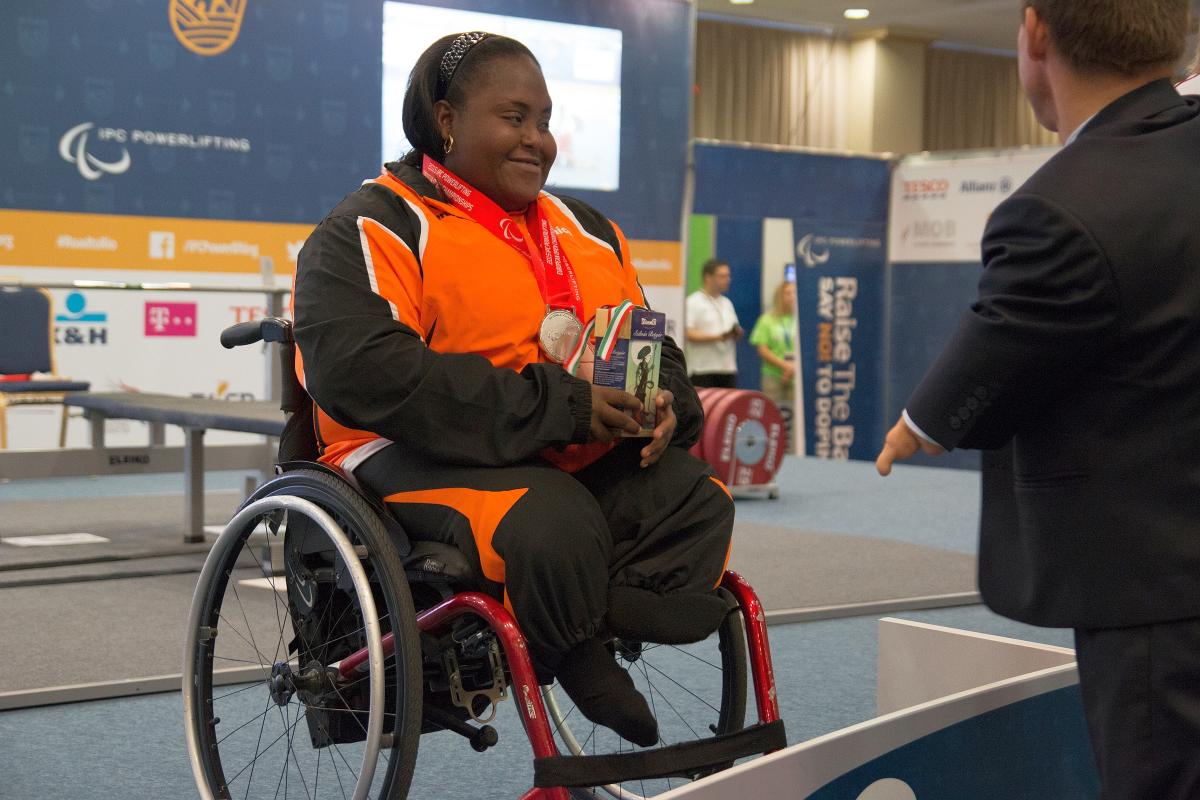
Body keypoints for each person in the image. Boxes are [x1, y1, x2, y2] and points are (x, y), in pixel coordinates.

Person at [291, 32, 734, 748]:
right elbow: (370, 375)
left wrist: (664, 406)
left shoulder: (589, 230)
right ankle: (574, 650)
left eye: (546, 120)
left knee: (695, 496)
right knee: (551, 519)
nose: (537, 140)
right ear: (446, 121)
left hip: (560, 446)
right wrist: (562, 407)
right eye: (515, 117)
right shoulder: (375, 225)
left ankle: (578, 617)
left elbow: (652, 345)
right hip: (404, 451)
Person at [875, 2, 1200, 797]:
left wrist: (922, 420)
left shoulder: (1063, 204)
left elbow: (1001, 363)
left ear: (1035, 34)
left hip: (1160, 593)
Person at [685, 258, 742, 387]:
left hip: (727, 369)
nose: (728, 280)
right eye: (722, 276)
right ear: (708, 278)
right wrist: (718, 337)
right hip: (703, 370)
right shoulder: (693, 302)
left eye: (728, 276)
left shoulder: (727, 303)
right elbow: (689, 333)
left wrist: (735, 333)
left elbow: (734, 327)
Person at [749, 281, 796, 409]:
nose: (792, 296)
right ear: (779, 296)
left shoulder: (800, 319)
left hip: (796, 375)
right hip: (773, 375)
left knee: (796, 415)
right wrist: (785, 366)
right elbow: (762, 350)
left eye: (794, 293)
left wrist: (793, 368)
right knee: (774, 412)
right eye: (787, 293)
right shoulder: (767, 320)